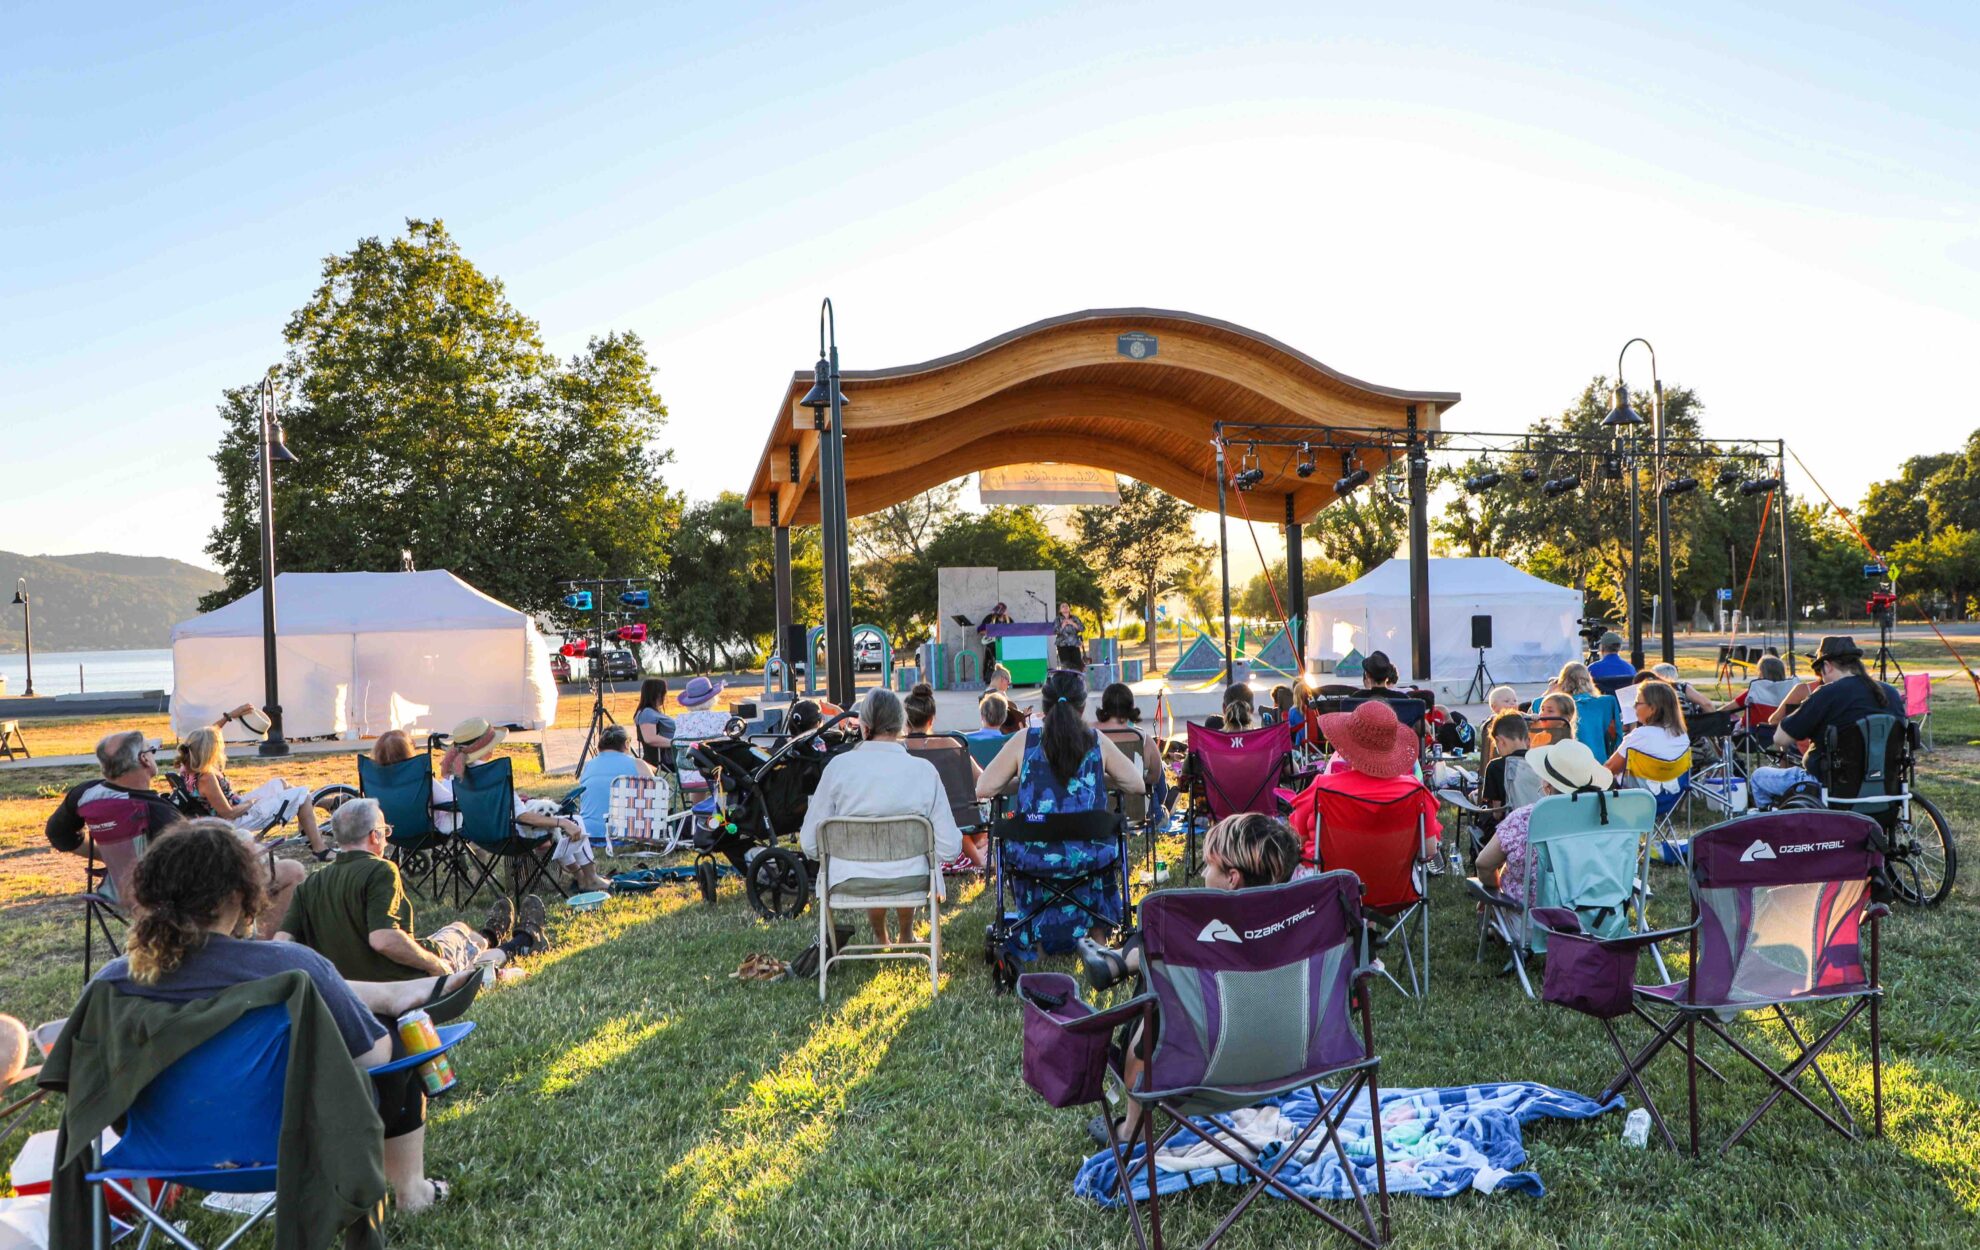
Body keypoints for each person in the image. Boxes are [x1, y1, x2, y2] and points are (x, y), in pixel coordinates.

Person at [98, 819, 476, 1212]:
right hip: (286, 1141)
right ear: (241, 892)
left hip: (158, 1149)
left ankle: (384, 996)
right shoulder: (292, 968)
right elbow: (374, 1058)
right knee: (395, 1041)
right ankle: (412, 1192)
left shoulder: (111, 984)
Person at [1084, 812, 1301, 1149]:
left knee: (1154, 981)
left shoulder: (1190, 931)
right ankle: (1124, 961)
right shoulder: (1304, 926)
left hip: (1198, 1069)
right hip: (1285, 1063)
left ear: (1232, 878)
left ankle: (1133, 1129)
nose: (1202, 874)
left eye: (1208, 866)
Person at [278, 798, 546, 981]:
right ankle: (520, 942)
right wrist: (434, 965)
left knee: (458, 933)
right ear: (375, 836)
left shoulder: (311, 883)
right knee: (464, 935)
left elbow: (281, 945)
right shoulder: (380, 870)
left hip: (347, 987)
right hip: (401, 979)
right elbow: (383, 940)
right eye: (385, 830)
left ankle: (494, 934)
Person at [977, 669, 1144, 949]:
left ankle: (1038, 935)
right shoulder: (1096, 742)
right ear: (1082, 707)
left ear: (1044, 706)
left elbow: (983, 788)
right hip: (1090, 855)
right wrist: (1097, 777)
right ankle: (1097, 934)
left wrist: (1023, 780)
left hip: (1035, 856)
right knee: (1096, 849)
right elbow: (1136, 784)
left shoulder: (1025, 741)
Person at [800, 688, 964, 948]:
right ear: (901, 725)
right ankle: (906, 934)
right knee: (906, 858)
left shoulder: (838, 769)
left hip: (850, 878)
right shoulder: (923, 772)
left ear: (864, 728)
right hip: (912, 879)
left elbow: (809, 844)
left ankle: (880, 936)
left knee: (875, 857)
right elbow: (950, 848)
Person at [435, 718, 612, 892]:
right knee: (574, 820)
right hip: (511, 837)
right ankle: (591, 879)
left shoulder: (453, 776)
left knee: (561, 823)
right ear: (484, 748)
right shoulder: (493, 776)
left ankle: (581, 877)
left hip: (478, 836)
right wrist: (562, 823)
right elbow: (522, 817)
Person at [1750, 636, 1903, 808]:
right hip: (1884, 788)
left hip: (1831, 788)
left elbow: (1780, 738)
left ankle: (1774, 828)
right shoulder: (1890, 693)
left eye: (1820, 671)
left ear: (1828, 666)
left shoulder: (1827, 693)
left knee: (1758, 777)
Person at [1475, 738, 1611, 931]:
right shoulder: (1606, 822)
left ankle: (1495, 927)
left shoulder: (1524, 819)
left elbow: (1484, 865)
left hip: (1530, 925)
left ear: (1547, 784)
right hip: (1592, 921)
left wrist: (1494, 892)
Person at [1293, 698, 1442, 862]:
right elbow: (1429, 849)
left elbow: (1300, 838)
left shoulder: (1322, 787)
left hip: (1333, 883)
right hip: (1396, 885)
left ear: (1347, 743)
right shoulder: (1416, 792)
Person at [176, 725, 330, 858]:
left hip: (234, 806)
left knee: (280, 783)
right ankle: (320, 849)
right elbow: (228, 813)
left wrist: (229, 717)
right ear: (209, 750)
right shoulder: (206, 777)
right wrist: (251, 803)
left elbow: (204, 736)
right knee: (302, 795)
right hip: (235, 820)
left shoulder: (187, 768)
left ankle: (310, 823)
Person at [44, 730, 184, 862]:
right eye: (151, 751)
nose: (153, 755)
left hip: (112, 885)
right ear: (144, 759)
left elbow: (57, 834)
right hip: (151, 886)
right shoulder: (158, 811)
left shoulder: (84, 794)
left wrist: (111, 859)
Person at [1096, 681, 1167, 822]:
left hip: (1099, 813)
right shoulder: (1142, 738)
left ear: (1104, 706)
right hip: (1137, 813)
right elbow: (1154, 777)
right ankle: (1160, 812)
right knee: (1156, 774)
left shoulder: (1091, 736)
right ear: (1130, 707)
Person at [575, 725, 654, 843]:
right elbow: (655, 799)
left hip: (590, 833)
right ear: (627, 744)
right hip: (629, 834)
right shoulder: (638, 764)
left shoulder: (589, 766)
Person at [1609, 679, 1690, 783]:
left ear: (1653, 708)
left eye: (1638, 703)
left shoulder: (1640, 736)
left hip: (1635, 796)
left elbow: (1610, 768)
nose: (1634, 706)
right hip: (1673, 796)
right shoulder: (1682, 735)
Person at [1539, 661, 1620, 759]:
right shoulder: (1606, 702)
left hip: (1559, 760)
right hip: (1596, 761)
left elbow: (1533, 717)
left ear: (1561, 681)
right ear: (1589, 680)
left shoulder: (1545, 704)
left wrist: (1549, 691)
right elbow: (1617, 736)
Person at [1478, 711, 1539, 812]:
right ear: (1528, 741)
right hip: (1543, 822)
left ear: (1500, 741)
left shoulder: (1495, 767)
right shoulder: (1542, 762)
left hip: (1511, 824)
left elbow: (1497, 812)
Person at [633, 678, 675, 769]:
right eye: (664, 693)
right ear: (658, 694)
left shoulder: (652, 712)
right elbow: (650, 738)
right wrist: (677, 743)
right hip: (668, 760)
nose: (665, 696)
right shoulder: (647, 713)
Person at [978, 601, 1012, 676]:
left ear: (1004, 612)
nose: (996, 614)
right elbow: (980, 630)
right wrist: (991, 633)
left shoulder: (1009, 620)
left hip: (1006, 643)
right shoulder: (989, 618)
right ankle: (997, 672)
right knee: (994, 649)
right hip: (993, 642)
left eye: (999, 612)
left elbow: (1014, 632)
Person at [1053, 602, 1085, 669]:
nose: (1065, 607)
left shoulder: (1075, 618)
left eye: (1066, 606)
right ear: (1060, 610)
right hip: (1062, 645)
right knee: (1066, 665)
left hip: (1074, 644)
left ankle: (1076, 679)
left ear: (1069, 608)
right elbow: (1055, 631)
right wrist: (1063, 624)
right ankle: (1066, 679)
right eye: (1063, 606)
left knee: (1077, 664)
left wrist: (1072, 623)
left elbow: (1082, 628)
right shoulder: (1057, 619)